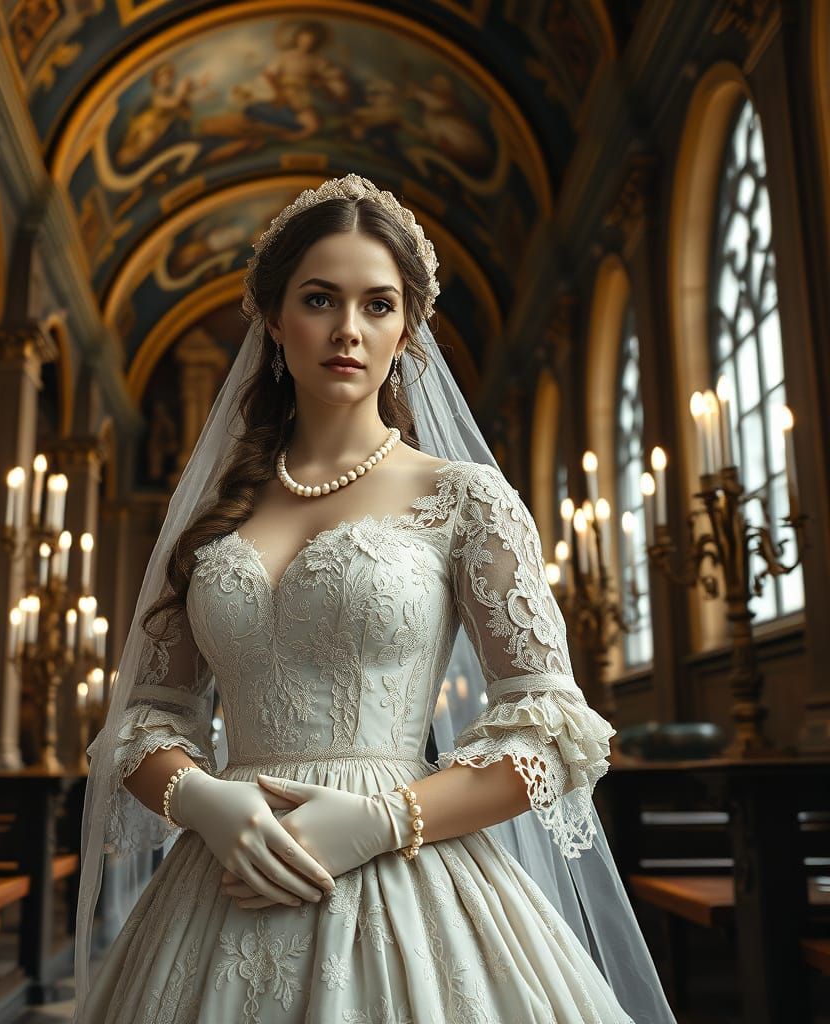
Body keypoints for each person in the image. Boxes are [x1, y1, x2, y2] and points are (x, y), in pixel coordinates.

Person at [74, 173, 677, 1023]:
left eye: (378, 305)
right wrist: (202, 798)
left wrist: (384, 821)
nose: (348, 330)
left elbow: (550, 730)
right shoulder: (214, 515)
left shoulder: (464, 498)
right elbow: (142, 719)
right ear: (275, 318)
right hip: (225, 869)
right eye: (320, 299)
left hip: (405, 871)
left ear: (408, 328)